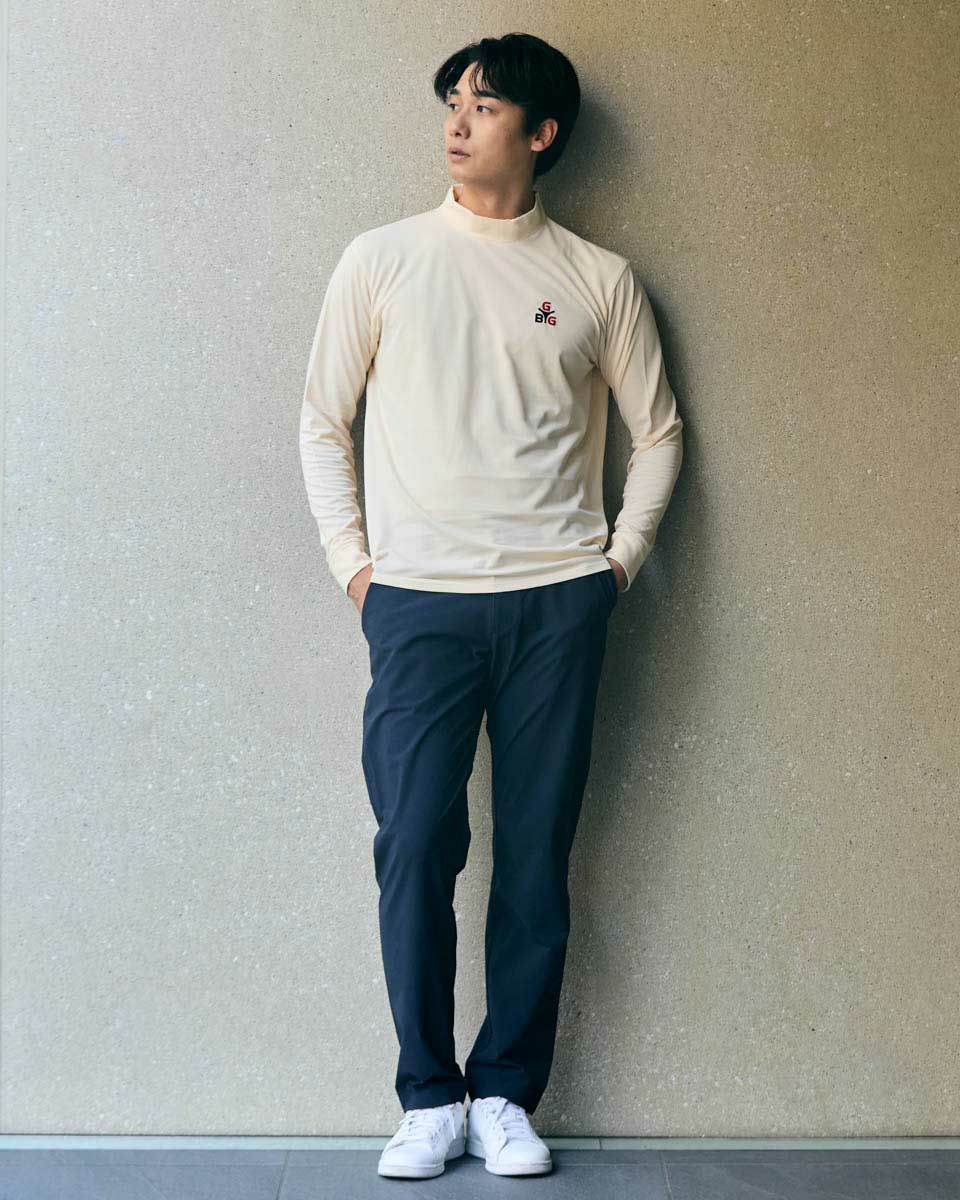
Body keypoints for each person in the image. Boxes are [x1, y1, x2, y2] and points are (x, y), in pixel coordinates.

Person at [298, 32, 683, 1181]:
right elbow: (322, 420)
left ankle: (507, 1090)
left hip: (557, 605)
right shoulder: (381, 259)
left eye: (486, 106)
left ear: (542, 132)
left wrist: (614, 568)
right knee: (416, 842)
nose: (458, 123)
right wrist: (356, 570)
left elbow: (660, 435)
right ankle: (428, 1096)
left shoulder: (598, 278)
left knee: (534, 858)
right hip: (417, 604)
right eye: (453, 102)